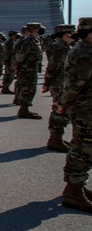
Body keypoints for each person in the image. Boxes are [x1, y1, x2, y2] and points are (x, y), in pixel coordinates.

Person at [58, 17, 92, 214]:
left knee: (82, 146)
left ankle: (76, 186)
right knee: (83, 148)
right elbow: (76, 83)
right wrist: (63, 103)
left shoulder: (83, 50)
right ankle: (74, 190)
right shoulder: (84, 52)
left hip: (85, 106)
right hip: (84, 107)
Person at [44, 24, 76, 152]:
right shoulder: (59, 47)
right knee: (60, 110)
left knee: (62, 110)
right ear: (66, 34)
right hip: (59, 83)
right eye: (72, 32)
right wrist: (47, 82)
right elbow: (53, 66)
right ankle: (55, 140)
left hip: (63, 82)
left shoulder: (65, 46)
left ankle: (56, 138)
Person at [14, 22, 45, 119]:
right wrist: (18, 66)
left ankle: (24, 109)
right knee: (28, 89)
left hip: (31, 68)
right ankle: (23, 110)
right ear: (35, 29)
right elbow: (21, 55)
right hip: (27, 69)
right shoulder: (29, 41)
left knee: (30, 88)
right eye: (39, 28)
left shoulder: (35, 40)